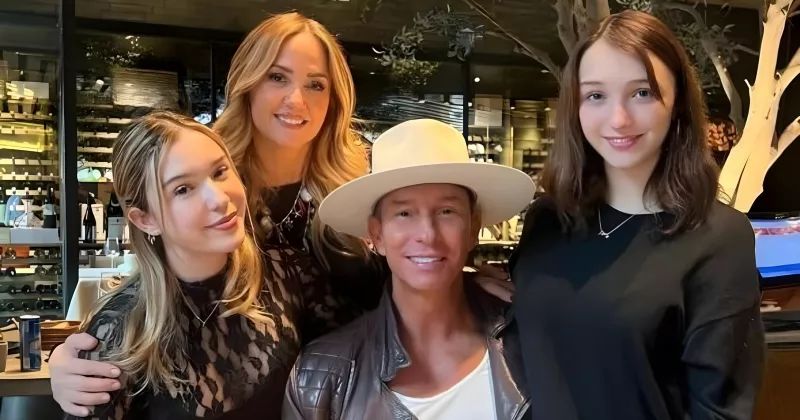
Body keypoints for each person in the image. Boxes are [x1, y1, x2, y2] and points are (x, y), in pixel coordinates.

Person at [51, 12, 509, 417]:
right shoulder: (210, 178)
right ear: (248, 83)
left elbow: (421, 250)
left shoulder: (363, 179)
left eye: (316, 84)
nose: (297, 99)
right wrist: (77, 358)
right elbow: (159, 283)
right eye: (277, 77)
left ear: (334, 98)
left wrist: (467, 287)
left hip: (363, 392)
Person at [509, 10, 765, 420]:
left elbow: (719, 409)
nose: (618, 119)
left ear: (676, 103)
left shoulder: (719, 238)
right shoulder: (547, 220)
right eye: (596, 96)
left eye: (642, 93)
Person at [283, 118, 535, 420]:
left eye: (447, 211)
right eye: (404, 213)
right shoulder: (319, 378)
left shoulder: (531, 340)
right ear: (377, 235)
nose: (427, 234)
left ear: (473, 227)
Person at [63, 112, 304, 419]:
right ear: (145, 220)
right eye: (183, 189)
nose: (218, 199)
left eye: (219, 172)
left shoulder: (289, 274)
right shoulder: (123, 332)